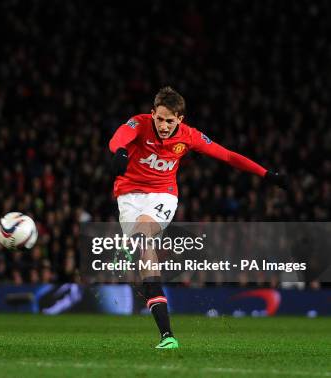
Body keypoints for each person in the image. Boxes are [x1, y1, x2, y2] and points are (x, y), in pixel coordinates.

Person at [108, 87, 287, 349]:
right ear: (152, 114)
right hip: (128, 197)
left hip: (162, 195)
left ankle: (168, 336)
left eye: (170, 121)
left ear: (180, 119)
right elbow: (119, 136)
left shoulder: (189, 136)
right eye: (160, 119)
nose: (164, 125)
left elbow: (226, 155)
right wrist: (120, 151)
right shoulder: (140, 123)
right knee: (145, 257)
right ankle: (164, 330)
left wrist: (265, 174)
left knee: (144, 238)